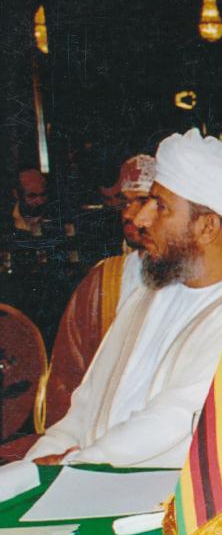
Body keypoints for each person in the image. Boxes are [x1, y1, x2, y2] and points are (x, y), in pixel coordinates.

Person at [26, 129, 222, 469]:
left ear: (207, 227)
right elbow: (84, 407)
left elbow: (175, 420)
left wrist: (75, 463)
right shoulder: (148, 294)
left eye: (160, 207)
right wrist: (34, 467)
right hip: (92, 476)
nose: (140, 219)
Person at [41, 155, 158, 432]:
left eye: (142, 201)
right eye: (125, 203)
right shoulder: (103, 281)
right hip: (97, 431)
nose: (128, 214)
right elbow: (66, 379)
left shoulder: (201, 283)